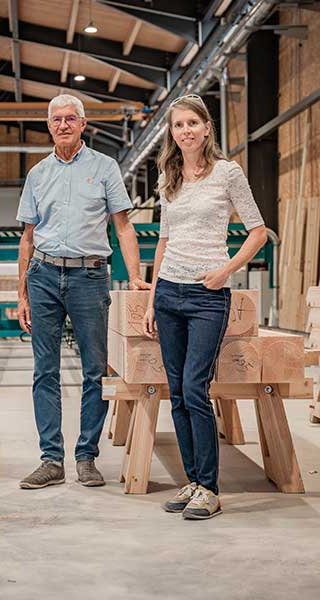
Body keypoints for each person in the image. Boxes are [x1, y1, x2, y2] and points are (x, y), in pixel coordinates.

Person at [143, 94, 267, 519]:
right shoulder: (168, 177)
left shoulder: (228, 174)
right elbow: (162, 241)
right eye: (178, 125)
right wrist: (151, 300)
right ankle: (192, 480)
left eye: (192, 123)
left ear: (207, 127)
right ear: (172, 133)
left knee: (196, 387)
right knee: (176, 392)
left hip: (206, 296)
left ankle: (210, 488)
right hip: (168, 294)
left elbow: (258, 231)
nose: (185, 131)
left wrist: (225, 271)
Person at [16, 94, 149, 490]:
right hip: (43, 274)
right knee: (45, 370)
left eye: (70, 118)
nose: (63, 125)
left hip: (89, 277)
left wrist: (137, 276)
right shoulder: (38, 174)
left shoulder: (105, 168)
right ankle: (50, 459)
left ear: (83, 123)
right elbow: (27, 237)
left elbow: (123, 227)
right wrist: (22, 293)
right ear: (49, 125)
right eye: (56, 119)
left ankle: (86, 456)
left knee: (95, 369)